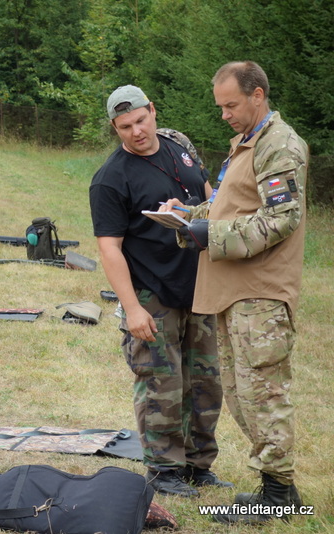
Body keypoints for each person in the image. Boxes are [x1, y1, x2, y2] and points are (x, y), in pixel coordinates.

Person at [162, 61, 308, 525]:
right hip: (232, 291)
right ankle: (276, 488)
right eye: (220, 106)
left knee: (263, 394)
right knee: (243, 396)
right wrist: (189, 215)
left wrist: (211, 234)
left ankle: (279, 497)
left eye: (231, 105)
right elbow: (233, 204)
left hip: (260, 294)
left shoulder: (279, 145)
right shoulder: (246, 144)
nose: (224, 114)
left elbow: (282, 218)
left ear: (257, 95)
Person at [89, 85, 229, 498]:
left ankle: (199, 466)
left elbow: (210, 199)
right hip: (153, 291)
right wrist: (132, 308)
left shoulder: (178, 148)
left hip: (200, 285)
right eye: (125, 127)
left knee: (205, 382)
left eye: (141, 120)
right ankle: (164, 470)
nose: (136, 132)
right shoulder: (111, 179)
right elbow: (109, 248)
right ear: (115, 128)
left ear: (152, 110)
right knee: (162, 384)